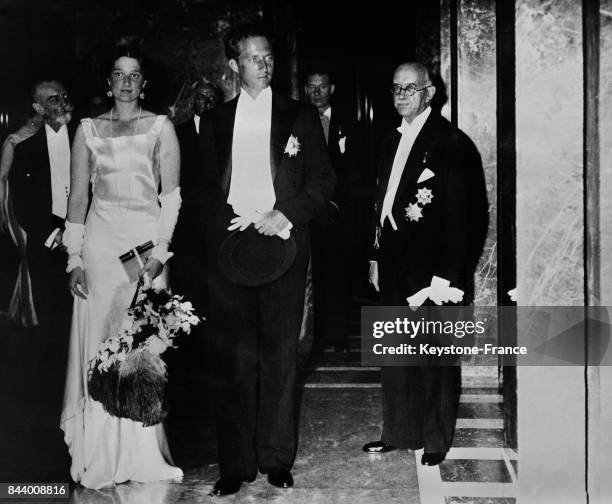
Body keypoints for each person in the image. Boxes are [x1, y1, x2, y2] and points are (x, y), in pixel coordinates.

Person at [198, 23, 335, 496]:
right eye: (253, 58)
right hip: (232, 248)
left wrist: (285, 213)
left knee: (280, 355)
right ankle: (235, 465)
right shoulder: (215, 122)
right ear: (234, 65)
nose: (264, 64)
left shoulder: (299, 116)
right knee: (235, 359)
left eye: (269, 57)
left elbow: (322, 182)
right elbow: (198, 191)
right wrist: (225, 219)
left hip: (283, 244)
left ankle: (277, 457)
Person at [60, 46, 183, 488]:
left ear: (143, 82)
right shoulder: (88, 129)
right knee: (99, 344)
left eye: (134, 75)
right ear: (108, 81)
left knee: (142, 346)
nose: (126, 82)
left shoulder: (162, 128)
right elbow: (76, 200)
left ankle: (141, 455)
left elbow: (171, 199)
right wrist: (74, 258)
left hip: (147, 248)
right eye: (118, 74)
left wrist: (159, 254)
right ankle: (100, 456)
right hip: (100, 245)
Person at [362, 62, 488, 466]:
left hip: (434, 270)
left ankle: (435, 440)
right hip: (394, 263)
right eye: (396, 88)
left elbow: (467, 218)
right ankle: (400, 431)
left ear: (430, 93)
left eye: (410, 88)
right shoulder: (389, 141)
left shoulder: (451, 143)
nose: (401, 96)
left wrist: (446, 277)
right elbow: (381, 202)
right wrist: (375, 255)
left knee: (434, 358)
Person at [305, 63, 361, 353]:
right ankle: (313, 337)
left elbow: (355, 171)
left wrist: (336, 204)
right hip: (308, 214)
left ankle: (337, 335)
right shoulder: (297, 121)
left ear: (332, 89)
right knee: (312, 277)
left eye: (322, 86)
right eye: (312, 87)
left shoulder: (350, 123)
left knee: (338, 274)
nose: (317, 92)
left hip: (339, 214)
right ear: (305, 89)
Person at [0, 112, 44, 325]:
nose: (36, 122)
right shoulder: (13, 141)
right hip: (12, 203)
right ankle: (26, 310)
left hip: (29, 202)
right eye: (33, 119)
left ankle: (25, 306)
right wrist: (2, 210)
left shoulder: (38, 141)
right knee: (25, 253)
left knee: (29, 256)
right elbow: (2, 177)